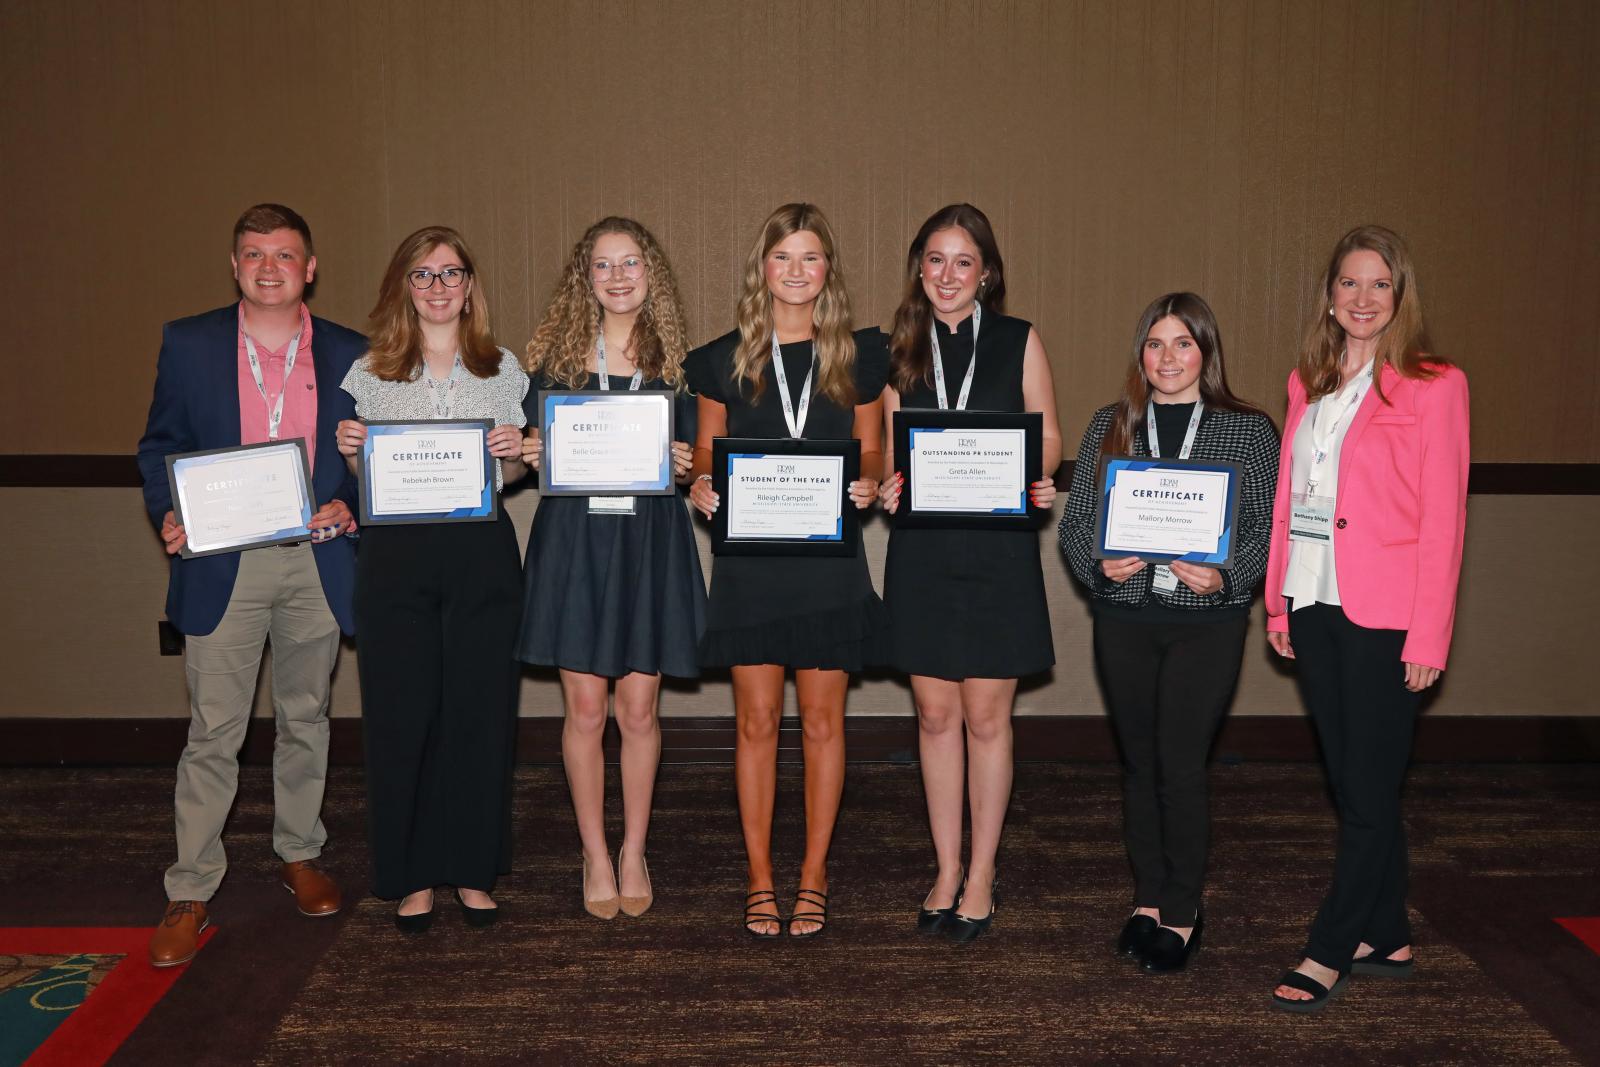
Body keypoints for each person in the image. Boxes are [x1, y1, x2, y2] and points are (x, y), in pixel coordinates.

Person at [136, 203, 365, 967]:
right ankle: (191, 885)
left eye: (286, 254)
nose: (270, 266)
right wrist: (170, 510)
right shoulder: (189, 341)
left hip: (315, 556)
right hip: (221, 560)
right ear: (235, 266)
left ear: (311, 268)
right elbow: (160, 443)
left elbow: (374, 456)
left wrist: (353, 502)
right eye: (254, 254)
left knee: (307, 714)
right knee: (214, 731)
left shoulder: (353, 353)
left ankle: (300, 852)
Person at [1264, 225, 1469, 1011]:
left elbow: (1445, 519)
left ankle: (1331, 945)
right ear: (1329, 294)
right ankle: (1387, 930)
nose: (1362, 298)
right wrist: (1279, 596)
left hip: (1387, 614)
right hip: (1315, 601)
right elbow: (1291, 498)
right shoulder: (1305, 383)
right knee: (1355, 780)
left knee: (1368, 788)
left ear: (1400, 295)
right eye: (1349, 283)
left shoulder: (1434, 383)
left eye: (1378, 284)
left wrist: (1430, 632)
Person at [1060, 292, 1279, 970]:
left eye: (1183, 343)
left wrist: (1230, 577)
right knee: (1137, 762)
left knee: (1181, 765)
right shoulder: (1111, 425)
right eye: (1156, 344)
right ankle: (1147, 898)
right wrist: (1098, 562)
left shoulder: (1248, 429)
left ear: (1207, 353)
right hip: (1125, 616)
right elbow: (1075, 526)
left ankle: (1183, 909)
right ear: (1141, 354)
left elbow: (1266, 529)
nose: (1168, 358)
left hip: (1205, 623)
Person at [684, 203, 885, 938]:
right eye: (782, 258)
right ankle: (761, 875)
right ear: (760, 268)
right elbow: (709, 451)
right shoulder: (721, 357)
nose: (796, 272)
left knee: (825, 723)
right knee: (757, 722)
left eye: (810, 258)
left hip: (829, 564)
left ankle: (814, 872)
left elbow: (872, 450)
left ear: (828, 270)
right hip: (751, 566)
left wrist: (869, 480)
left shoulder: (860, 357)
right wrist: (702, 483)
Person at [876, 204, 1061, 943]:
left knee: (987, 718)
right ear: (918, 269)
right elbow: (887, 446)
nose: (947, 275)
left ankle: (983, 871)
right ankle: (945, 866)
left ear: (986, 271)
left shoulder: (1018, 340)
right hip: (922, 551)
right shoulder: (898, 346)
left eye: (962, 261)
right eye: (933, 260)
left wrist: (1035, 473)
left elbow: (1046, 434)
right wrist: (888, 480)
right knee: (933, 717)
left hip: (996, 555)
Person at [335, 226, 528, 931]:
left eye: (452, 274)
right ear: (403, 287)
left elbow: (506, 475)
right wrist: (352, 454)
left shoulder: (502, 367)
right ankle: (412, 874)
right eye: (423, 275)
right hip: (396, 558)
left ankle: (473, 870)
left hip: (480, 554)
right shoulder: (370, 370)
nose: (439, 287)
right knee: (401, 715)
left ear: (470, 286)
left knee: (479, 713)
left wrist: (515, 454)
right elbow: (367, 484)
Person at [517, 217, 704, 919]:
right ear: (584, 278)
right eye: (603, 265)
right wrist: (532, 451)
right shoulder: (554, 369)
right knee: (587, 710)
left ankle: (634, 848)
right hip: (576, 544)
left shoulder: (681, 369)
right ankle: (594, 850)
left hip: (648, 545)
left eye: (631, 263)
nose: (618, 276)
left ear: (651, 274)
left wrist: (691, 465)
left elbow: (702, 462)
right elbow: (519, 456)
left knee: (638, 709)